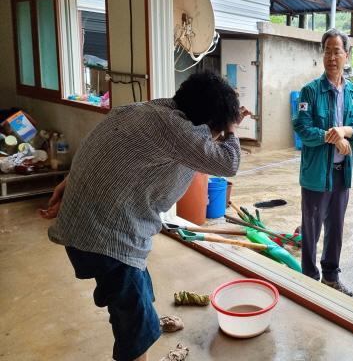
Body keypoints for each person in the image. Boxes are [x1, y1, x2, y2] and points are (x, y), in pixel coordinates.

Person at [42, 71, 249, 361]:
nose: (213, 140)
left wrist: (72, 181)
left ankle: (146, 321)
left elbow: (100, 148)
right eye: (214, 133)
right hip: (104, 236)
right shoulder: (180, 131)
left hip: (91, 221)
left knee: (138, 282)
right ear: (201, 125)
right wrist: (231, 128)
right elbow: (229, 163)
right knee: (132, 319)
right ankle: (140, 336)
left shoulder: (145, 110)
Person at [293, 28, 353, 297]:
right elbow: (302, 128)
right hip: (316, 174)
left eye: (337, 51)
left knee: (336, 226)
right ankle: (309, 279)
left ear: (346, 56)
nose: (332, 56)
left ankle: (331, 276)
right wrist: (329, 136)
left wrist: (345, 132)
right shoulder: (310, 91)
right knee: (311, 228)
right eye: (327, 50)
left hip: (341, 173)